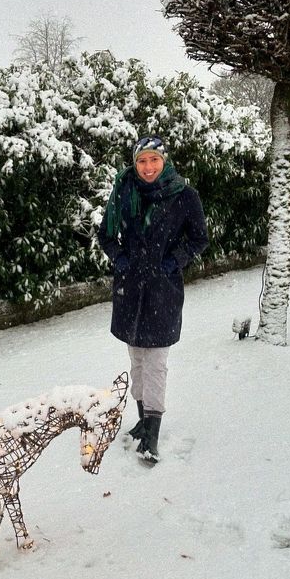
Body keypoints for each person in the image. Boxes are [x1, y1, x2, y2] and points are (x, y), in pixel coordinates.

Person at [97, 135, 208, 463]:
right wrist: (120, 260)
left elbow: (199, 238)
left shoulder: (185, 196)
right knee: (136, 358)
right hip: (130, 288)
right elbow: (106, 234)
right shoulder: (124, 191)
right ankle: (143, 420)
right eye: (142, 161)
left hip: (163, 289)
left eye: (154, 160)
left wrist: (173, 262)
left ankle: (153, 429)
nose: (148, 167)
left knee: (156, 361)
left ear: (164, 161)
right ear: (135, 163)